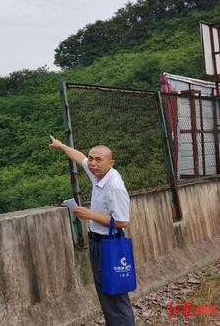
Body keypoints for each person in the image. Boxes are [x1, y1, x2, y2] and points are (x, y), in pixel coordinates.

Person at [49, 135, 135, 326]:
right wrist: (62, 146)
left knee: (115, 294)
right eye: (92, 158)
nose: (93, 163)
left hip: (109, 245)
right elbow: (80, 158)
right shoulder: (98, 174)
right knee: (106, 292)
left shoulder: (114, 186)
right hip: (97, 242)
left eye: (98, 159)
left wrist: (90, 215)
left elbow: (122, 222)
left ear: (110, 162)